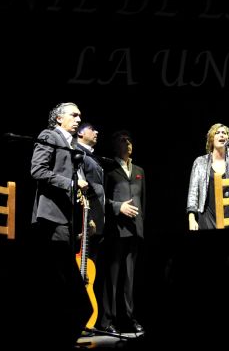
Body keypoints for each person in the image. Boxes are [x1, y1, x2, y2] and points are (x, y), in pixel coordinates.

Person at [30, 102, 91, 347]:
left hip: (67, 219)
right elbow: (37, 170)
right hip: (51, 218)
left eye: (80, 115)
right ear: (58, 119)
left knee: (62, 281)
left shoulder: (73, 145)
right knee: (61, 280)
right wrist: (70, 183)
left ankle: (62, 335)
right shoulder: (49, 136)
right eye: (73, 115)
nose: (78, 119)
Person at [97, 130, 146, 335]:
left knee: (130, 278)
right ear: (115, 145)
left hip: (134, 230)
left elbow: (144, 200)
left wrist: (141, 224)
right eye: (122, 141)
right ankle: (107, 320)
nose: (127, 144)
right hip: (115, 230)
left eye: (130, 140)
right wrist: (119, 207)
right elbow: (100, 200)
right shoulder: (108, 169)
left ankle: (129, 318)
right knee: (113, 277)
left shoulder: (139, 170)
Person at [187, 123, 229, 230]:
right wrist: (191, 218)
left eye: (224, 133)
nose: (221, 135)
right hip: (208, 215)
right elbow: (193, 193)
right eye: (217, 133)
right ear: (211, 139)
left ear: (228, 139)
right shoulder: (200, 162)